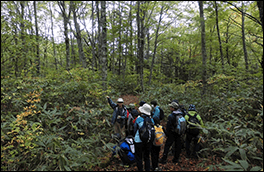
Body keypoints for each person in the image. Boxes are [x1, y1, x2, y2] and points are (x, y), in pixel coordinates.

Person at [134, 103, 155, 171]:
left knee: (139, 157)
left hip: (138, 141)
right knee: (147, 157)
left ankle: (140, 169)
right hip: (148, 141)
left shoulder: (138, 119)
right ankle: (147, 169)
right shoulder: (151, 120)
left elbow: (134, 129)